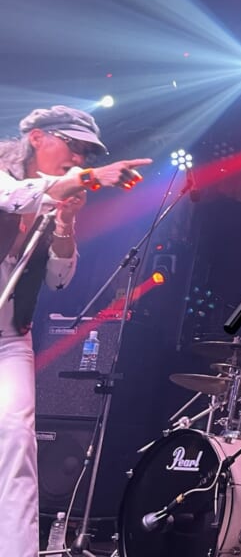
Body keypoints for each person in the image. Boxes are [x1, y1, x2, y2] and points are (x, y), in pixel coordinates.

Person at [0, 105, 152, 557]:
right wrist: (87, 178)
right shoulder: (8, 176)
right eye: (74, 146)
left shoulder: (55, 197)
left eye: (87, 154)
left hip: (9, 337)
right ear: (38, 137)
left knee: (15, 438)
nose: (79, 158)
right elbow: (13, 199)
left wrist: (65, 223)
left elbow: (59, 279)